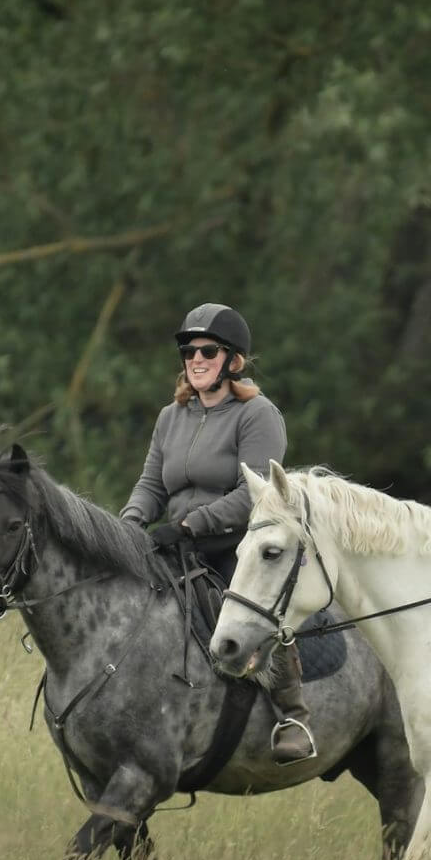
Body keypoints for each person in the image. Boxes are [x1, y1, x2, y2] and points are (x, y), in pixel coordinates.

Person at [119, 303, 313, 764]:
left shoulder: (258, 415)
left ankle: (293, 715)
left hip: (238, 545)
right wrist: (126, 525)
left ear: (234, 362)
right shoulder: (171, 416)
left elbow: (257, 495)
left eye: (208, 350)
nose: (196, 359)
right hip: (175, 543)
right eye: (189, 351)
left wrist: (191, 524)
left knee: (256, 610)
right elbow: (151, 484)